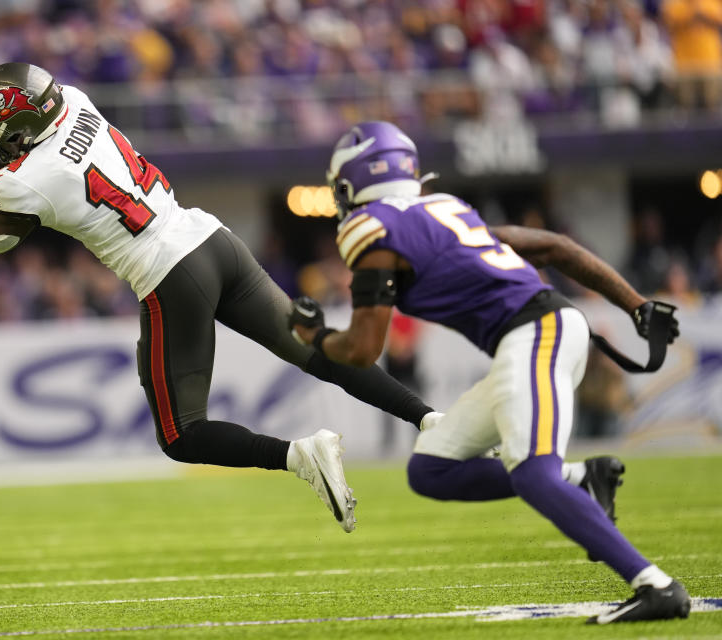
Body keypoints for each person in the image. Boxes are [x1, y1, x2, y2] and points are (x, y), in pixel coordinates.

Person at [0, 63, 438, 534]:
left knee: (182, 434)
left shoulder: (24, 184)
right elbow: (10, 149)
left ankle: (300, 455)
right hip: (210, 237)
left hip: (168, 274)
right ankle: (431, 419)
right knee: (318, 350)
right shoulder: (73, 101)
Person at [289, 121, 690, 623]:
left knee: (533, 475)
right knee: (432, 468)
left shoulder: (373, 230)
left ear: (354, 183)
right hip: (535, 334)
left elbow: (364, 349)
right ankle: (581, 479)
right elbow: (553, 247)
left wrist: (316, 336)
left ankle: (654, 585)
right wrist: (635, 305)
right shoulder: (446, 209)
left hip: (536, 332)